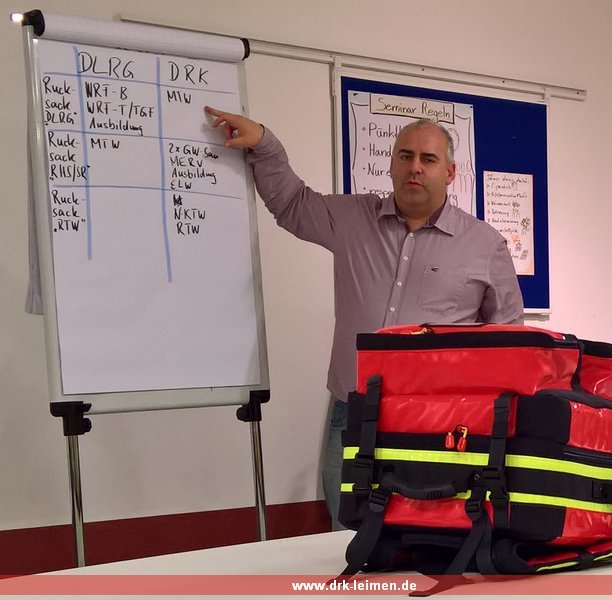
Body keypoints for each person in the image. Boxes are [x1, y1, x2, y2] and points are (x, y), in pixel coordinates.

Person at [205, 106, 524, 527]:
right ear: (391, 165)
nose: (415, 167)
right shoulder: (354, 219)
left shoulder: (485, 245)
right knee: (346, 528)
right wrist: (265, 142)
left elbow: (508, 339)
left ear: (449, 173)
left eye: (428, 159)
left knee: (428, 530)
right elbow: (293, 204)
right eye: (405, 156)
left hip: (437, 421)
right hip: (353, 411)